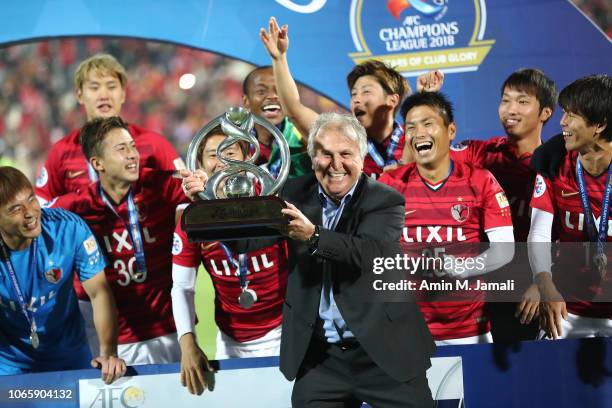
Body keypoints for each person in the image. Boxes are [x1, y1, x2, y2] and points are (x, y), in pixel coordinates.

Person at [235, 112, 435, 407]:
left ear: (362, 156)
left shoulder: (386, 200)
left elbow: (367, 254)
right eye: (325, 154)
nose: (335, 164)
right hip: (321, 359)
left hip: (385, 351)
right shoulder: (293, 193)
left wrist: (313, 236)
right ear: (312, 157)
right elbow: (247, 240)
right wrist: (207, 200)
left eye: (345, 154)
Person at [402, 68, 558, 341]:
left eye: (522, 102)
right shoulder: (479, 153)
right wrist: (425, 101)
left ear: (545, 112)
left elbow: (567, 235)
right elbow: (414, 162)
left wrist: (543, 282)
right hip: (478, 291)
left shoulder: (559, 166)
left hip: (528, 295)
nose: (510, 109)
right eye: (505, 100)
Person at [48, 116, 204, 365]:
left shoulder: (160, 185)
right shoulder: (75, 207)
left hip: (168, 329)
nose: (133, 155)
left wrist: (201, 185)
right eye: (121, 149)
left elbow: (203, 190)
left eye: (133, 146)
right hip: (107, 339)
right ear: (97, 163)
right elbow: (31, 219)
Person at [380, 92, 515, 345]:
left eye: (428, 124)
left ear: (451, 131)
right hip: (408, 329)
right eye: (411, 127)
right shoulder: (389, 185)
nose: (418, 133)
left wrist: (465, 268)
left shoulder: (481, 181)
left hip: (470, 331)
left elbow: (505, 250)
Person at [171, 125, 289, 395]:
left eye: (230, 151)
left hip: (283, 332)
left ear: (247, 158)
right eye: (213, 154)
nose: (222, 160)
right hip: (230, 341)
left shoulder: (272, 202)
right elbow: (182, 286)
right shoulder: (192, 219)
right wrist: (188, 344)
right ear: (200, 165)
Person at [260, 17, 430, 179]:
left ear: (392, 100)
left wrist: (425, 97)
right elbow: (294, 111)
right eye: (354, 94)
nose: (356, 99)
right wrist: (279, 58)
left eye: (366, 92)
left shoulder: (418, 139)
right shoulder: (342, 137)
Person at [0, 167, 126, 382]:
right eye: (15, 210)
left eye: (31, 199)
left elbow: (99, 293)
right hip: (9, 365)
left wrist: (109, 353)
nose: (30, 213)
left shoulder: (67, 228)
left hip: (71, 357)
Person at [35, 53, 184, 203]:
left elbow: (185, 191)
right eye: (94, 87)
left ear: (123, 94)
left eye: (111, 86)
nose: (104, 95)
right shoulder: (61, 152)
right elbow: (41, 205)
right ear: (79, 95)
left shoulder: (153, 144)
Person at [528, 74, 611, 339]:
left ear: (599, 124)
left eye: (571, 115)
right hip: (566, 311)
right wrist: (545, 285)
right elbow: (539, 233)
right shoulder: (553, 163)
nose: (562, 122)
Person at [242, 66, 311, 178]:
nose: (272, 96)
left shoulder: (304, 138)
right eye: (261, 91)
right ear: (246, 101)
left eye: (279, 90)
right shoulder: (235, 143)